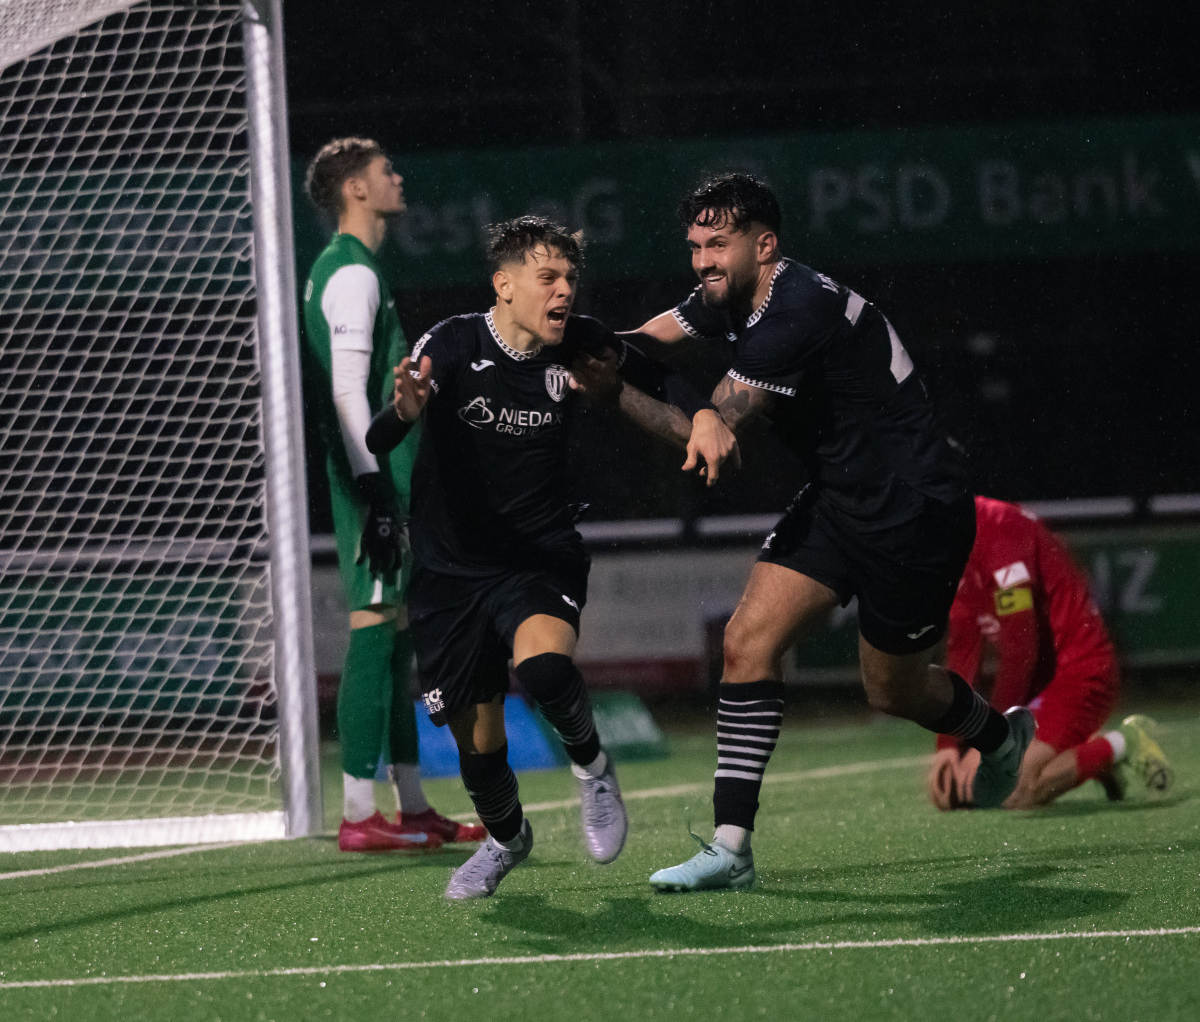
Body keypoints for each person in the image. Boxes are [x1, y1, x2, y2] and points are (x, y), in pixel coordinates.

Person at [609, 172, 1033, 892]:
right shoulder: (729, 294)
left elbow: (717, 432)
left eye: (718, 244)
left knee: (891, 689)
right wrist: (576, 346)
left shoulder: (795, 312)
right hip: (842, 497)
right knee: (748, 643)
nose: (703, 261)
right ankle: (731, 849)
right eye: (694, 247)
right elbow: (644, 343)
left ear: (764, 245)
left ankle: (1001, 736)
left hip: (915, 508)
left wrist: (627, 389)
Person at [365, 215, 737, 898]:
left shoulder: (579, 345)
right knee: (479, 744)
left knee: (542, 668)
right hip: (448, 575)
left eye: (570, 277)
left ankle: (593, 769)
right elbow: (381, 432)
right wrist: (407, 412)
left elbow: (656, 373)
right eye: (549, 277)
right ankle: (508, 841)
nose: (565, 290)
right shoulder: (452, 344)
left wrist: (705, 412)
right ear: (504, 285)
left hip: (538, 557)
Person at [301, 137, 485, 852]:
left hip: (383, 477)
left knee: (400, 634)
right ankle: (356, 813)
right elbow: (348, 391)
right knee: (374, 629)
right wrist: (376, 490)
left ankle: (410, 806)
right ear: (355, 190)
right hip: (372, 481)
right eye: (385, 171)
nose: (397, 177)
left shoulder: (352, 270)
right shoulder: (349, 274)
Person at [927, 495, 1174, 810]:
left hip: (1080, 671)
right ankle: (1082, 748)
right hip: (1040, 683)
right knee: (964, 793)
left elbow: (1021, 650)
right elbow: (963, 650)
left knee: (1015, 791)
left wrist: (991, 740)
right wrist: (948, 744)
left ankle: (1124, 743)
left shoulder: (999, 528)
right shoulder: (948, 541)